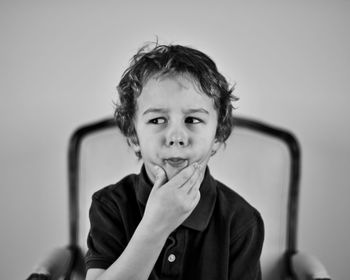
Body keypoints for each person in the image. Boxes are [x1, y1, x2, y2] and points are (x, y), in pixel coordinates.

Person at [85, 43, 264, 280]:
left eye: (193, 119)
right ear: (133, 136)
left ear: (218, 136)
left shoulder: (241, 220)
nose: (176, 137)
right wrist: (156, 225)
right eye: (158, 120)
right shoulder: (110, 205)